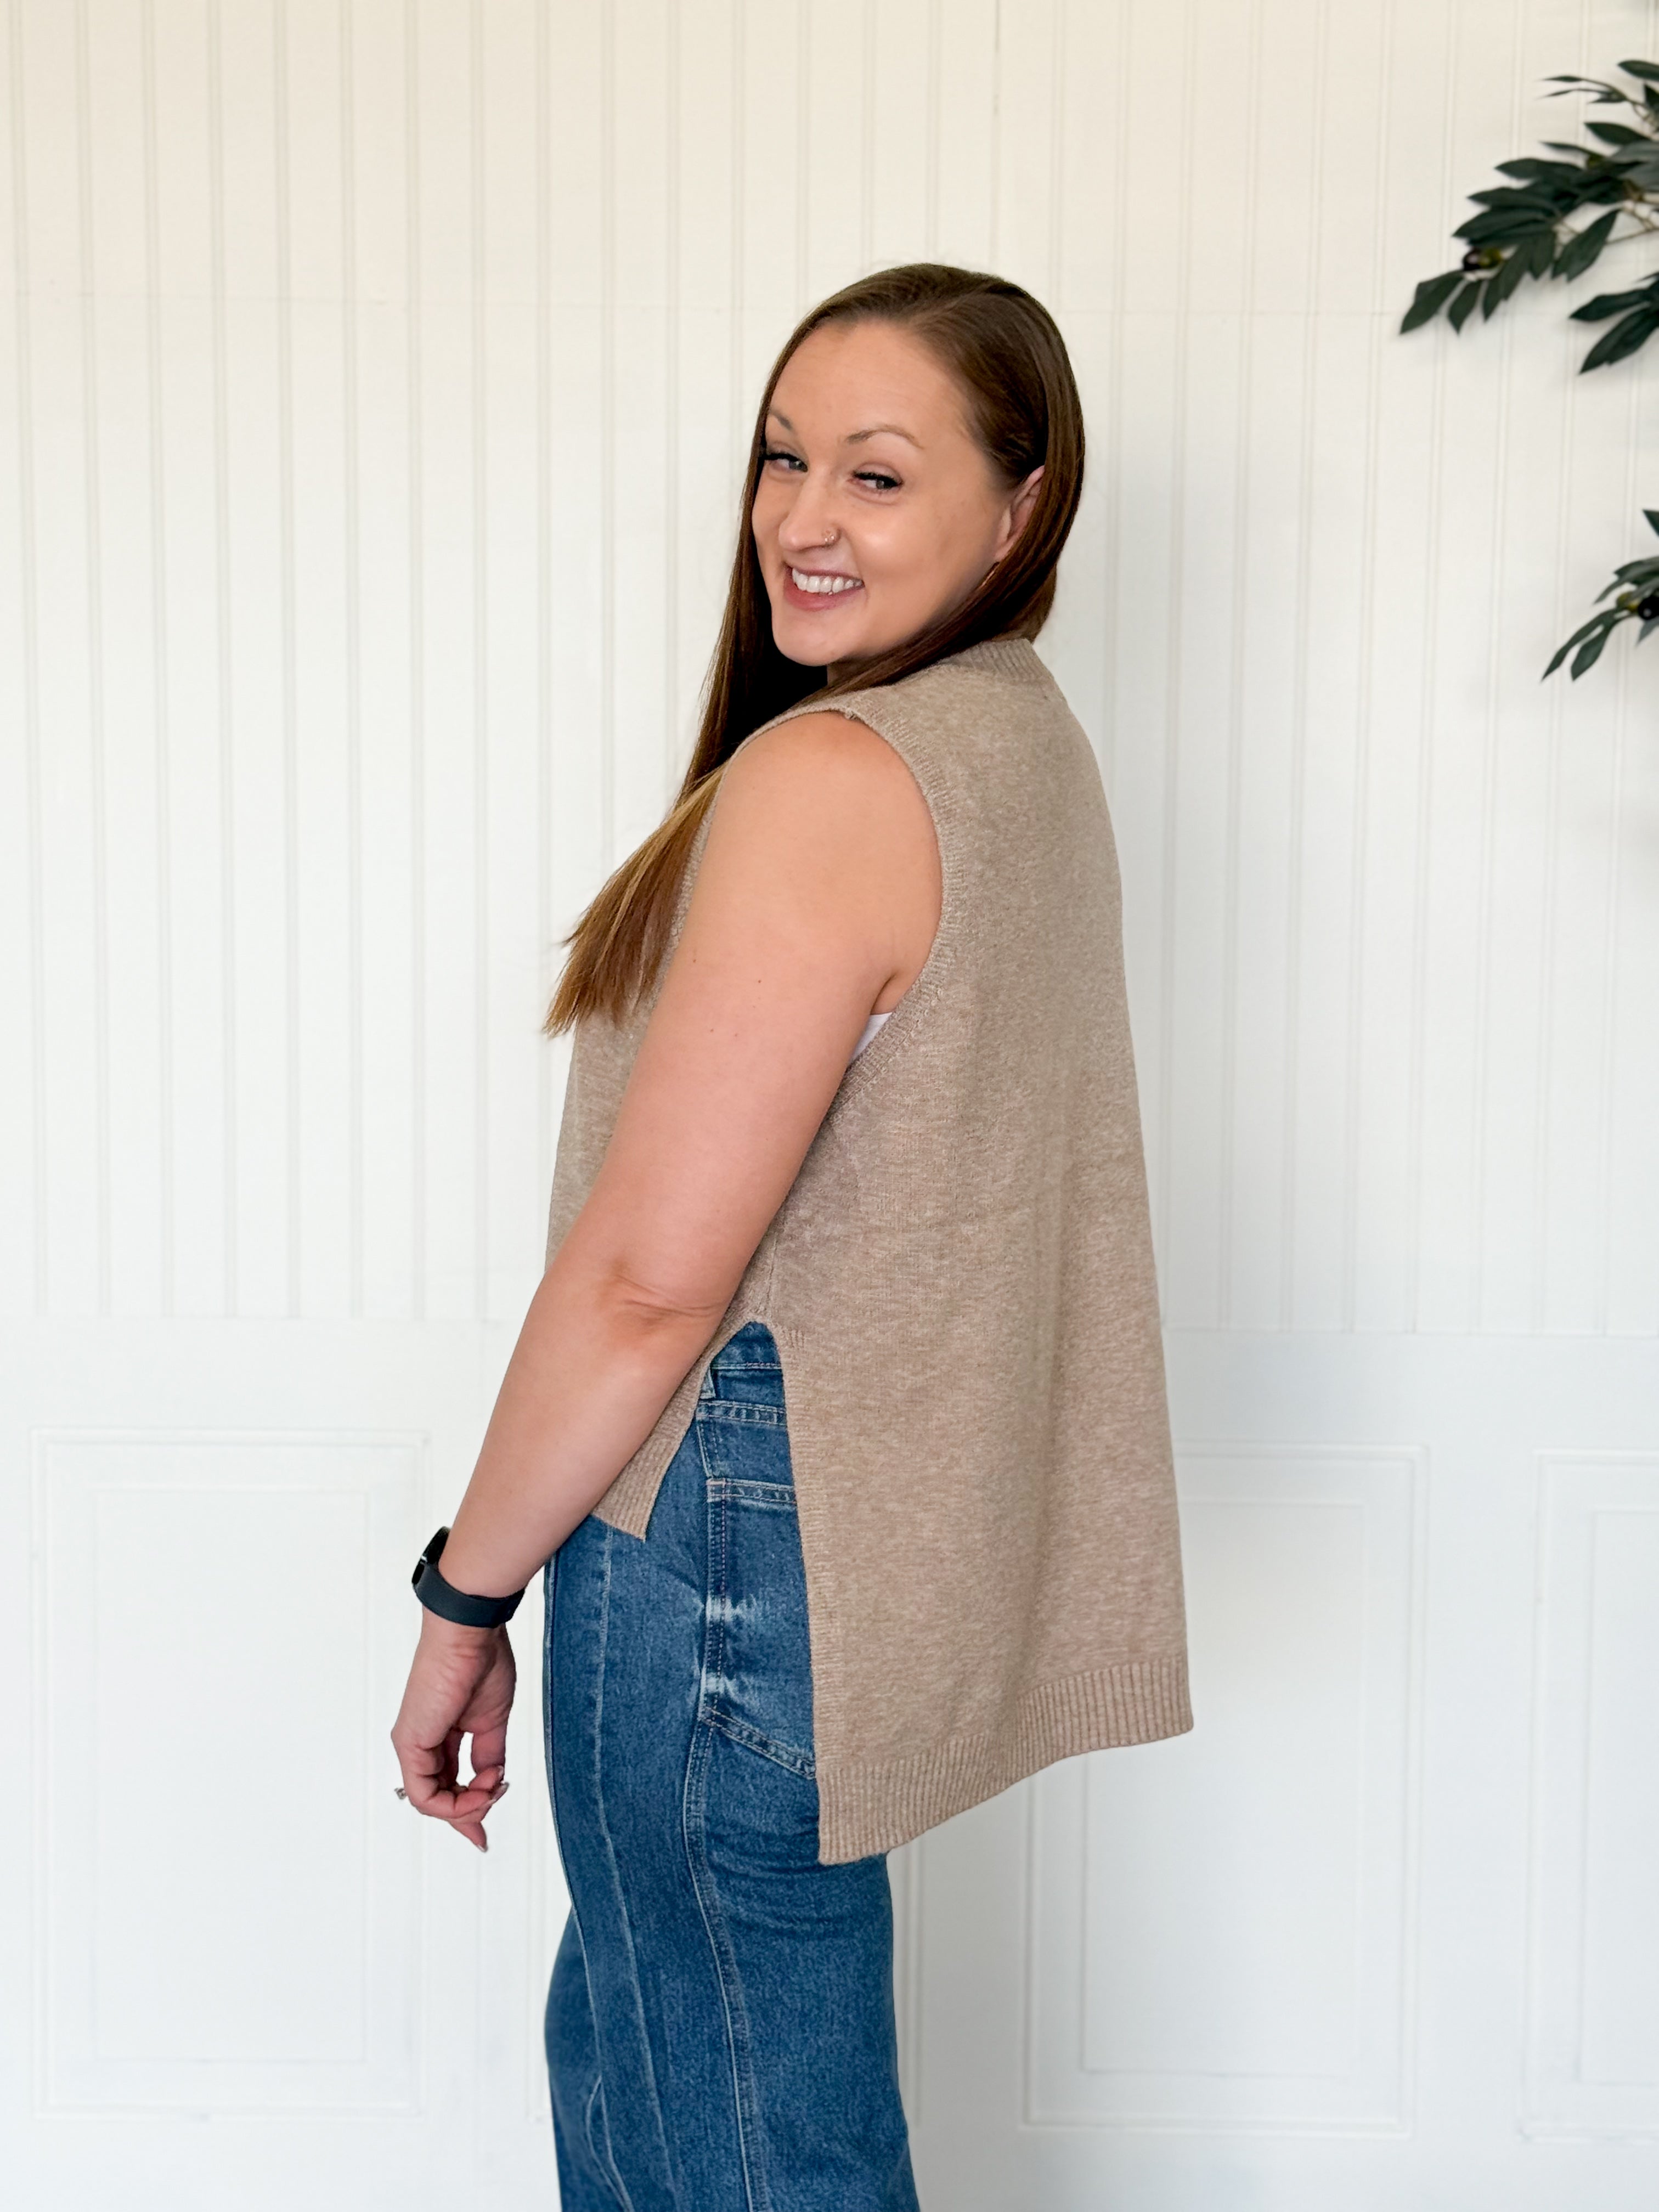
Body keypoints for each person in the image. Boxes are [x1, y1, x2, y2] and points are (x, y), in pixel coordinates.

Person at [390, 262, 1192, 2210]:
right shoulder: (1016, 741)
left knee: (732, 2131)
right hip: (834, 1546)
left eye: (879, 475)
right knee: (679, 2086)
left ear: (1022, 509)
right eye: (782, 458)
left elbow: (647, 1283)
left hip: (721, 1538)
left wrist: (463, 1600)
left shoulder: (837, 776)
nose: (803, 520)